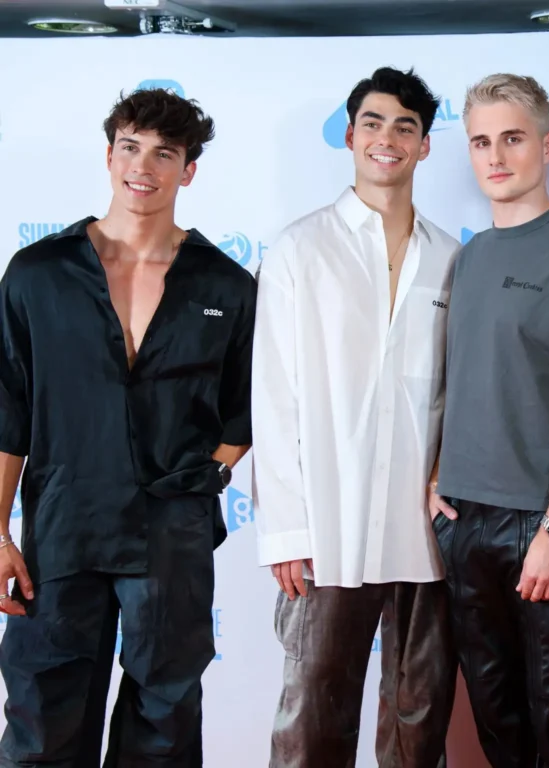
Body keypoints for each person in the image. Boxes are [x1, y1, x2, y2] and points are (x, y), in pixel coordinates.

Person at [0, 88, 254, 766]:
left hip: (171, 534)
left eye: (164, 154)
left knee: (164, 725)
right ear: (110, 155)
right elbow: (8, 411)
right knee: (42, 721)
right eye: (131, 147)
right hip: (64, 526)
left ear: (188, 171)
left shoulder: (226, 285)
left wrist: (207, 480)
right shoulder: (38, 274)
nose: (143, 166)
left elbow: (246, 408)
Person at [251, 66, 459, 768]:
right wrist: (286, 530)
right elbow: (273, 397)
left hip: (426, 529)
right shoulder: (300, 248)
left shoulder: (451, 257)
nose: (387, 138)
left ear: (424, 145)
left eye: (405, 126)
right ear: (349, 136)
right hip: (327, 524)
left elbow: (454, 390)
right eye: (373, 123)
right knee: (314, 714)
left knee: (418, 718)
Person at [429, 73, 549, 768]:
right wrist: (438, 476)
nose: (495, 155)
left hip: (545, 524)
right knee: (497, 719)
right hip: (465, 521)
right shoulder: (470, 257)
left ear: (545, 146)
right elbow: (462, 380)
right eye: (481, 141)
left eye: (512, 138)